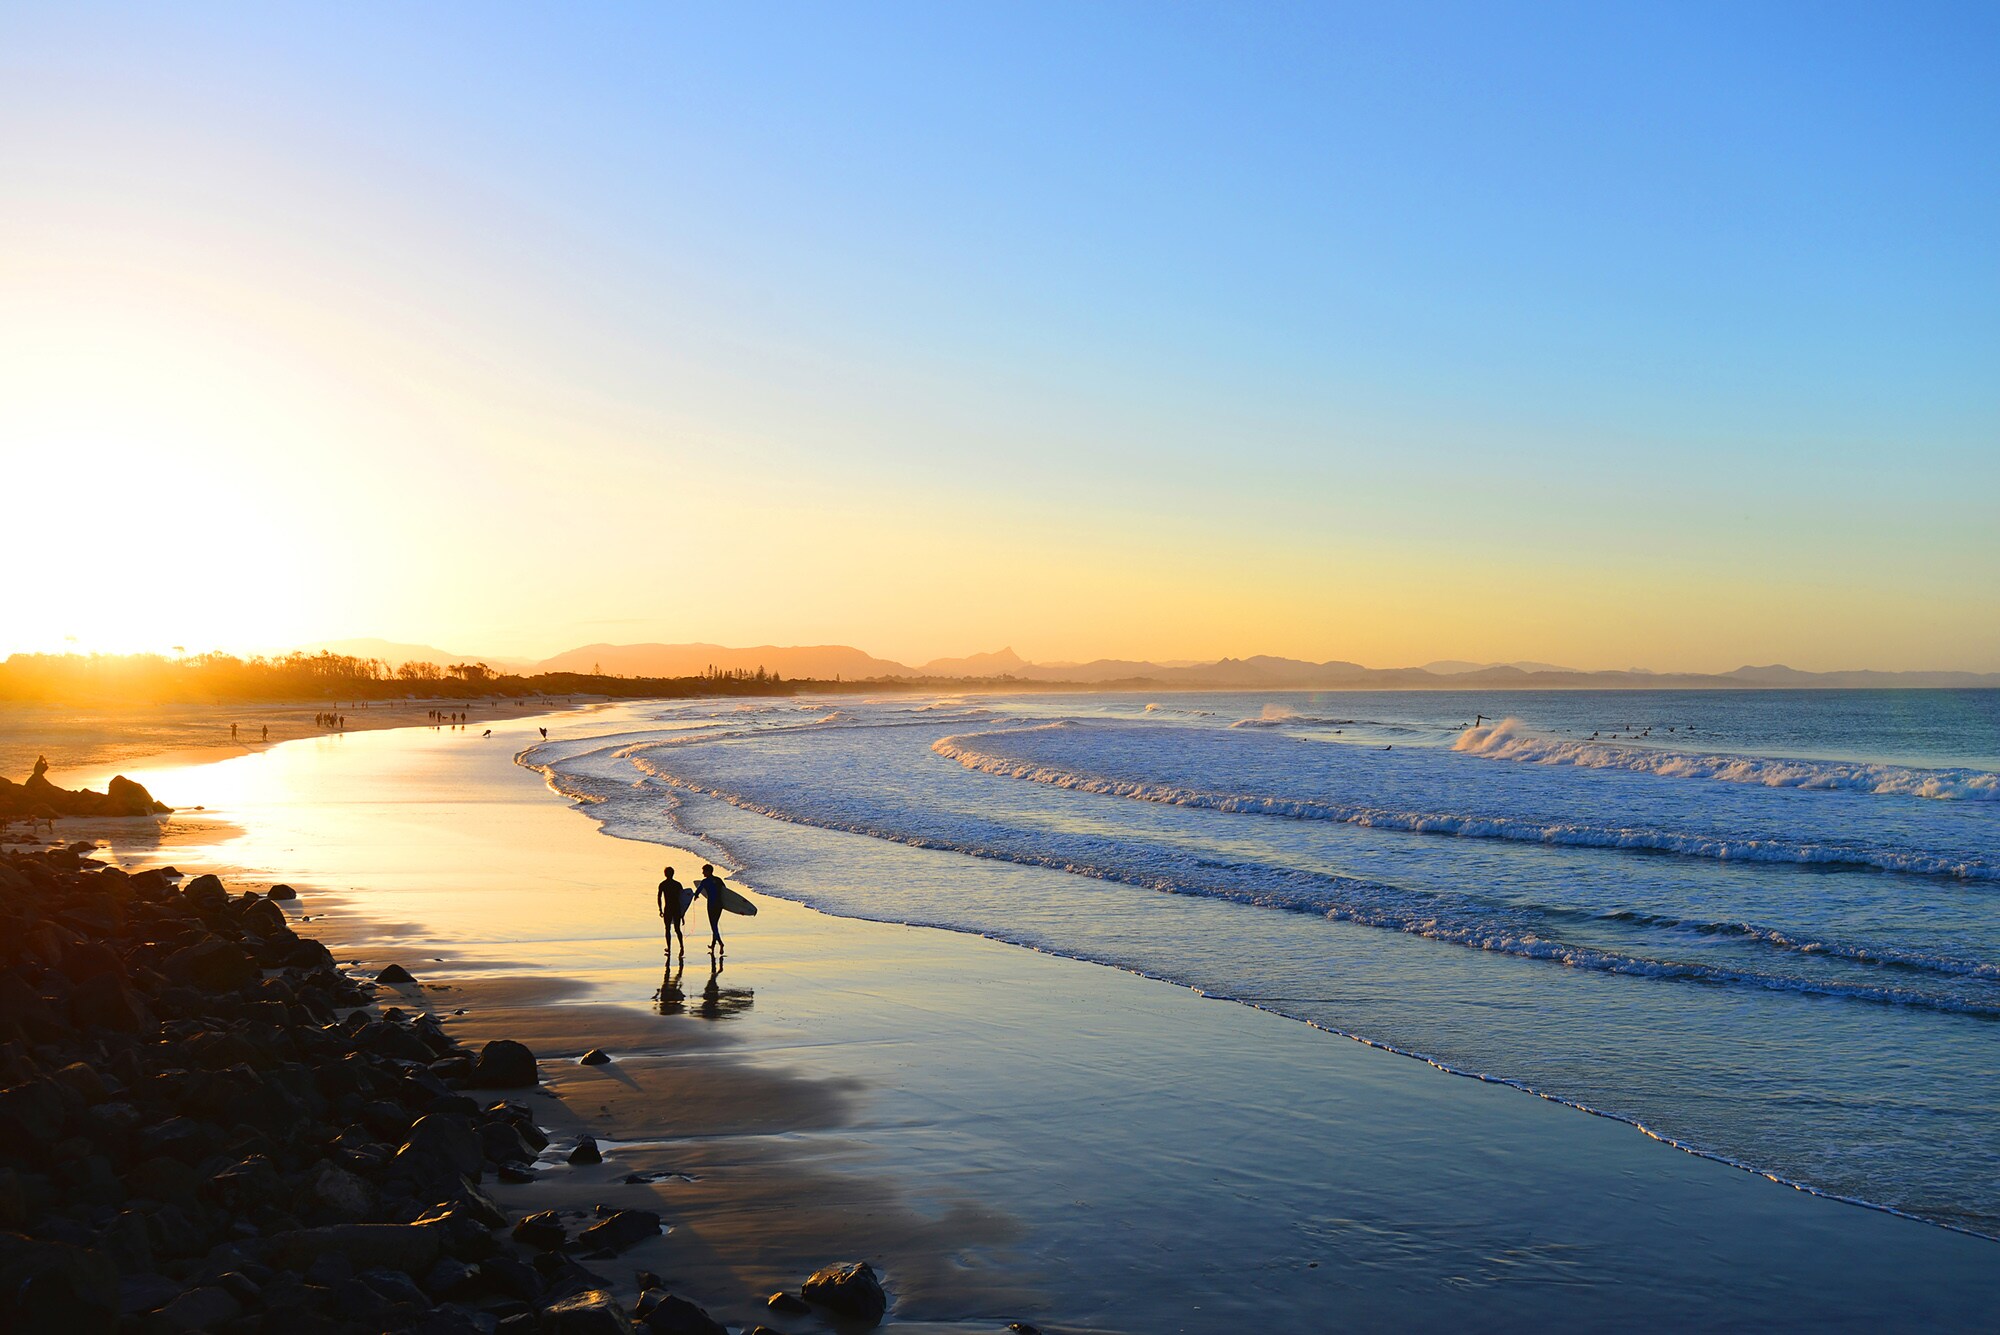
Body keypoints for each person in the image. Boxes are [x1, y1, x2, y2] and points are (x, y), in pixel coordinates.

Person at [694, 863, 729, 954]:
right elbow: (725, 891)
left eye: (704, 871)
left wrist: (695, 896)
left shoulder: (705, 881)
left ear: (708, 871)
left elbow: (698, 890)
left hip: (711, 905)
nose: (703, 873)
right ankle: (713, 945)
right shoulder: (718, 880)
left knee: (713, 925)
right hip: (719, 905)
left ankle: (721, 943)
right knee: (715, 924)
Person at [656, 865, 687, 955]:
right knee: (677, 929)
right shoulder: (678, 884)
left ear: (665, 874)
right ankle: (681, 946)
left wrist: (660, 909)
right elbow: (683, 899)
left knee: (667, 929)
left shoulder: (663, 884)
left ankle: (669, 948)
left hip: (668, 909)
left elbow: (659, 897)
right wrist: (682, 913)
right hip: (677, 908)